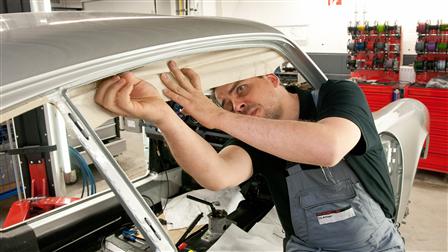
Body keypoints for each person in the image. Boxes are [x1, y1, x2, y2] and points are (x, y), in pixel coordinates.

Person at [95, 60, 405, 251]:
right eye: (226, 102)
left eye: (241, 90)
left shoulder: (336, 95)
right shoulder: (254, 134)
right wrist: (164, 116)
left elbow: (329, 146)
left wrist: (216, 116)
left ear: (271, 79)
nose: (236, 106)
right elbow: (216, 174)